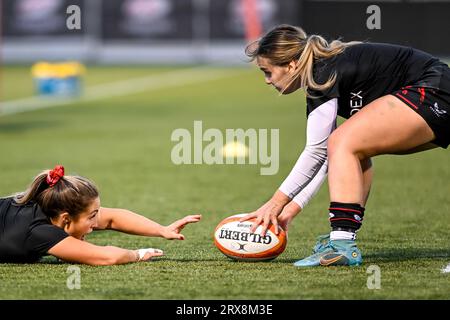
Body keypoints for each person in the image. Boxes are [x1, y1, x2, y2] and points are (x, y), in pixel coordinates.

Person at [241, 24, 449, 267]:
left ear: (291, 66)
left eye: (268, 72)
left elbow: (318, 151)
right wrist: (290, 210)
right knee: (349, 148)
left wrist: (274, 204)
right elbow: (328, 155)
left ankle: (341, 245)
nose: (267, 81)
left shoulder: (323, 72)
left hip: (434, 90)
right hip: (436, 91)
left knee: (343, 141)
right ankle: (342, 239)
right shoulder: (321, 74)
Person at [0, 165, 201, 265]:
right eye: (91, 216)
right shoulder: (43, 233)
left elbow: (114, 218)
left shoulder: (51, 205)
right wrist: (138, 254)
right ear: (66, 218)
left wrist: (162, 230)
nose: (97, 223)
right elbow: (106, 257)